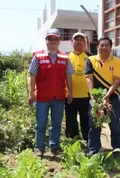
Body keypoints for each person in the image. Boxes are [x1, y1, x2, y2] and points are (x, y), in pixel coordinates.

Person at [28, 28, 74, 157]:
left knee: (57, 124)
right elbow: (32, 75)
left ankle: (54, 146)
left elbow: (69, 76)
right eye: (50, 39)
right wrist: (31, 92)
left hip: (58, 96)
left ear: (59, 41)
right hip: (42, 97)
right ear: (46, 41)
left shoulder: (65, 57)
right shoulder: (38, 56)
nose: (52, 41)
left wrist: (70, 92)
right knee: (41, 124)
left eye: (55, 39)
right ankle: (39, 147)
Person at [85, 36, 120, 155]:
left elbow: (117, 80)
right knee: (94, 126)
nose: (104, 48)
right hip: (95, 99)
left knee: (115, 127)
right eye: (101, 45)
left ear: (110, 48)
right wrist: (93, 98)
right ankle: (93, 151)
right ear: (97, 47)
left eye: (107, 45)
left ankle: (117, 151)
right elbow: (89, 79)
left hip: (113, 98)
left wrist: (107, 96)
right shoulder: (90, 60)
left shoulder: (117, 61)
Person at [65, 32, 91, 141]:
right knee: (71, 121)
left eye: (82, 40)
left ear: (85, 43)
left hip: (86, 95)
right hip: (69, 95)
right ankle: (73, 142)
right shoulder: (65, 56)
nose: (79, 41)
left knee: (86, 121)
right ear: (72, 42)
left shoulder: (90, 57)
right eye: (76, 39)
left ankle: (88, 142)